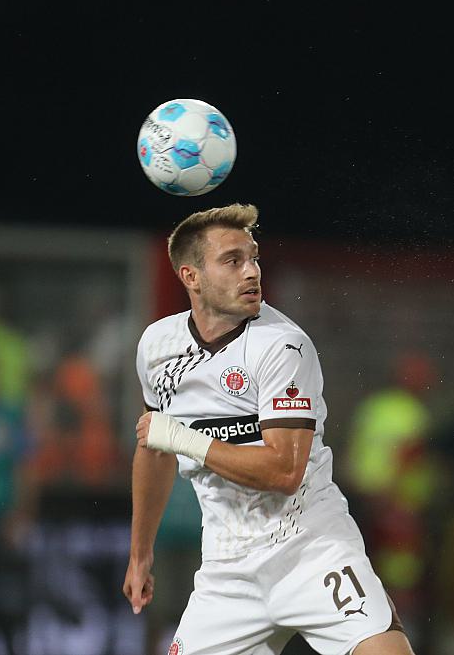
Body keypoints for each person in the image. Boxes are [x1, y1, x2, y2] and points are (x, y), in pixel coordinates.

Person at [123, 204, 414, 655]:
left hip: (310, 548)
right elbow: (154, 449)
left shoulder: (282, 345)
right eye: (232, 261)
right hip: (227, 568)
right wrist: (141, 553)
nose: (251, 272)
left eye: (254, 258)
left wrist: (185, 439)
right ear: (190, 277)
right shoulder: (158, 347)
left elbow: (283, 471)